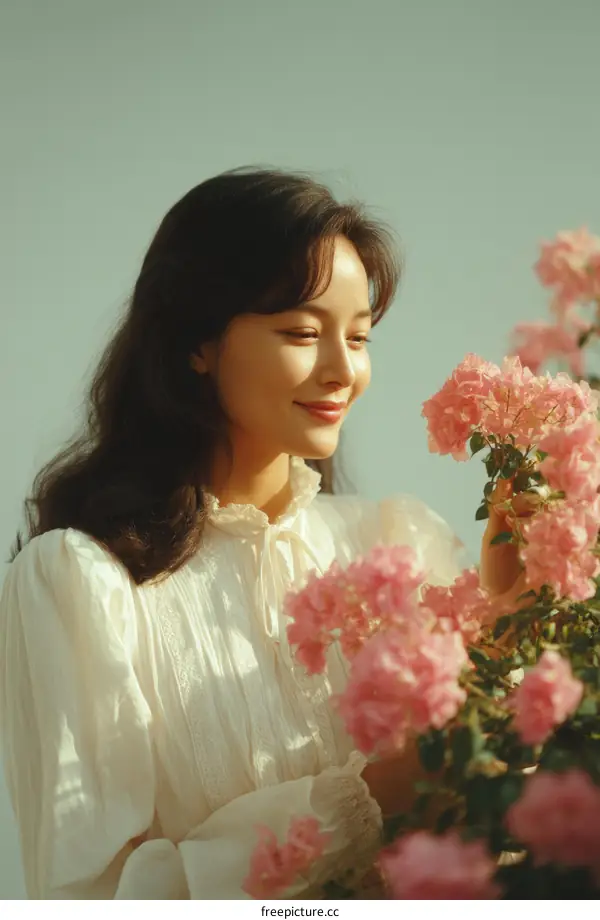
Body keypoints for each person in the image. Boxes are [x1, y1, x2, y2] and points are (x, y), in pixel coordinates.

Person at [0, 168, 523, 900]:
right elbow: (96, 896)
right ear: (196, 342)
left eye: (361, 337)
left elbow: (508, 819)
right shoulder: (81, 581)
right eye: (302, 333)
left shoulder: (398, 543)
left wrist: (510, 615)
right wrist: (371, 795)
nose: (345, 370)